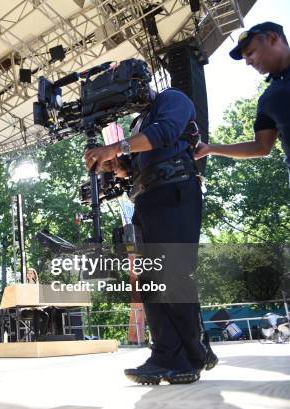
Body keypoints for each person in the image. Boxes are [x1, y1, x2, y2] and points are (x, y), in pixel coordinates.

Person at [84, 86, 217, 385]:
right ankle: (166, 355)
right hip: (146, 196)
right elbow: (133, 166)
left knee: (175, 274)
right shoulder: (138, 121)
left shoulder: (173, 98)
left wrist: (115, 147)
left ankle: (192, 354)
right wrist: (115, 165)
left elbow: (167, 132)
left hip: (175, 189)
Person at [195, 22, 290, 184]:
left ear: (273, 38)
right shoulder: (268, 99)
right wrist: (211, 148)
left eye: (251, 53)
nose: (248, 62)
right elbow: (261, 146)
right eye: (245, 58)